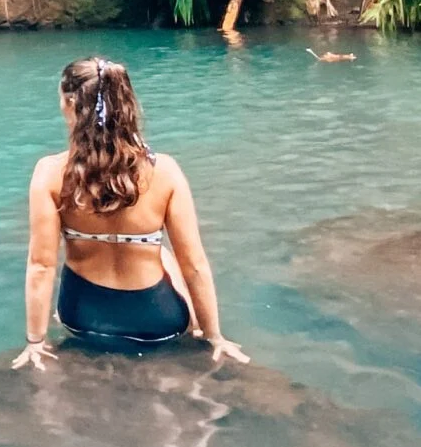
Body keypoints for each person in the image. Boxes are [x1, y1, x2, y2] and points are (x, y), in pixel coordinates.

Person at [14, 56, 250, 369]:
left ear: (70, 103)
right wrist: (214, 336)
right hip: (158, 322)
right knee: (164, 254)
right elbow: (194, 264)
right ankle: (193, 326)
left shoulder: (49, 173)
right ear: (126, 104)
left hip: (83, 318)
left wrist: (35, 341)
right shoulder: (165, 171)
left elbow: (42, 265)